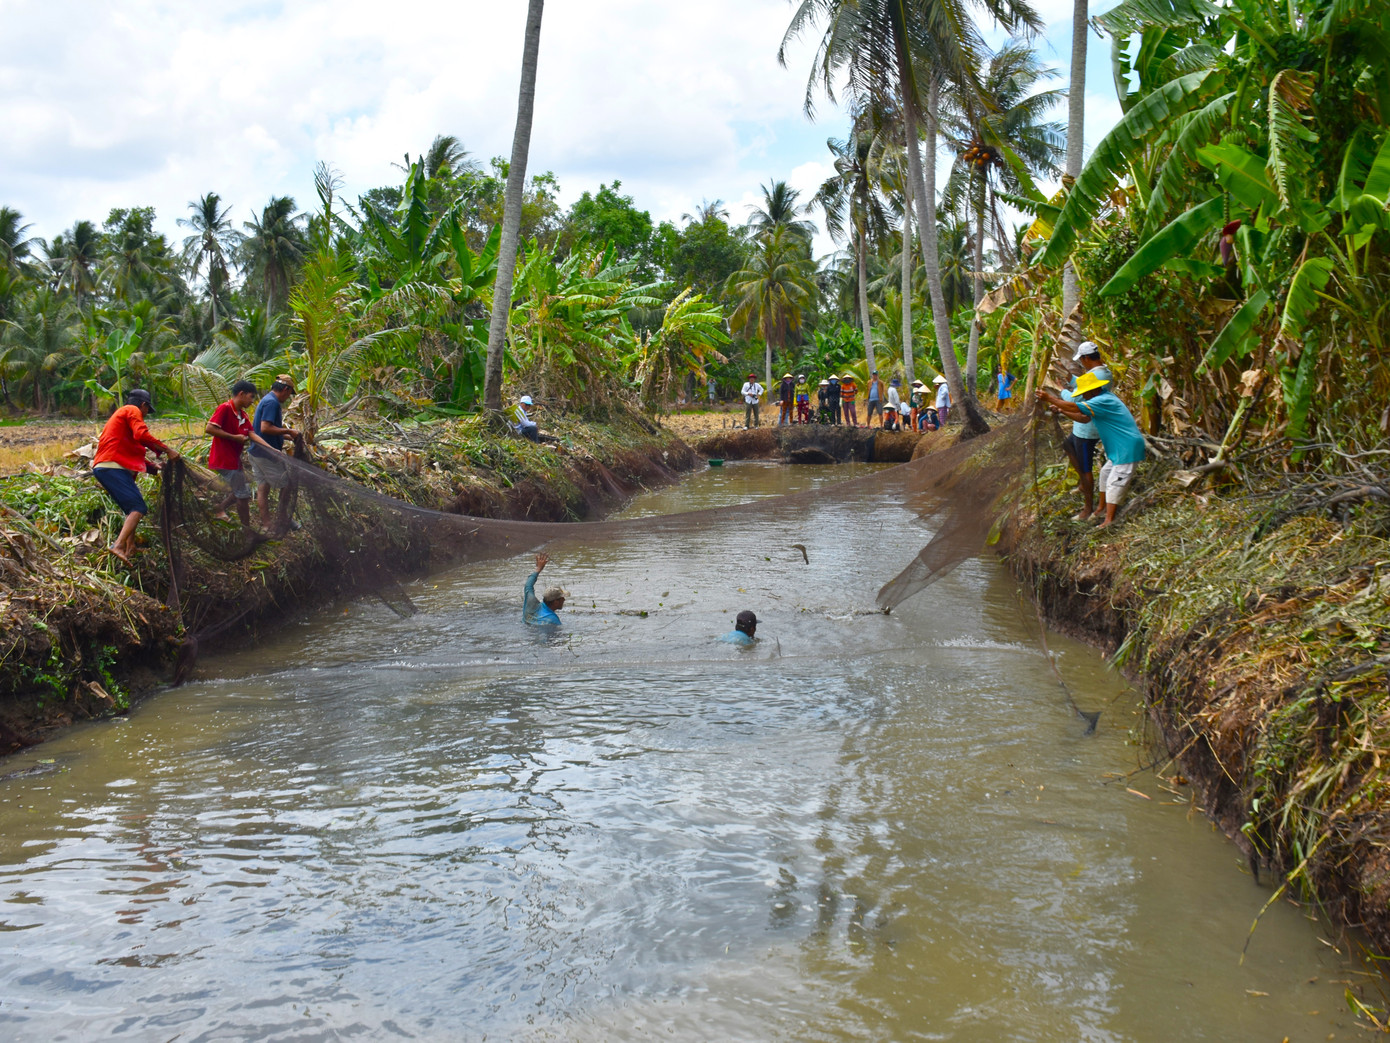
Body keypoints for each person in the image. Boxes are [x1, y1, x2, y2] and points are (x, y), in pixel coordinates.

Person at [1037, 369, 1146, 530]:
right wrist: (1061, 410)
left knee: (1115, 482)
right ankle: (1100, 509)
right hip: (1118, 449)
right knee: (1105, 474)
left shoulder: (1102, 400)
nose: (1083, 395)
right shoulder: (1099, 399)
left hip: (1127, 448)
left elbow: (1075, 407)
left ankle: (1109, 520)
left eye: (1084, 392)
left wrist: (1049, 398)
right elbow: (1083, 418)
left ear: (1093, 390)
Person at [92, 388, 180, 562]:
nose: (145, 414)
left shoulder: (121, 417)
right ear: (143, 405)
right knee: (139, 507)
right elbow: (141, 434)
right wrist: (167, 449)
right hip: (112, 466)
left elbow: (130, 452)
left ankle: (130, 547)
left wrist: (154, 467)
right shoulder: (131, 410)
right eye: (147, 410)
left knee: (131, 508)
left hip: (108, 466)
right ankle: (118, 545)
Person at [207, 380, 279, 528]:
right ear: (241, 394)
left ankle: (219, 508)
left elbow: (252, 434)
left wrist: (272, 449)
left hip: (234, 460)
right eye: (251, 397)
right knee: (243, 495)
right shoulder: (225, 408)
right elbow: (210, 428)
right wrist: (234, 437)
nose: (252, 401)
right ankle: (247, 531)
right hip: (223, 460)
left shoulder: (243, 415)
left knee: (240, 488)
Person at [1059, 342, 1112, 520]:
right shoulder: (1100, 372)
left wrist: (1061, 392)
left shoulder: (1098, 375)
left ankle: (1087, 508)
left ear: (1086, 358)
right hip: (1082, 427)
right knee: (1068, 445)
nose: (1082, 363)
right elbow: (1080, 384)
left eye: (1081, 360)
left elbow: (1076, 399)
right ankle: (1083, 483)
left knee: (1085, 466)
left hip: (1088, 429)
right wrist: (1067, 375)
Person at [251, 375, 299, 532]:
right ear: (285, 389)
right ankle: (283, 518)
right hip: (266, 454)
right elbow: (265, 428)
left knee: (263, 487)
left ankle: (267, 524)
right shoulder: (272, 403)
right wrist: (288, 431)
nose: (288, 397)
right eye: (289, 393)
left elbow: (264, 431)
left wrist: (290, 437)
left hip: (256, 451)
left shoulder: (267, 399)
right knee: (287, 485)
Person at [523, 551, 567, 625]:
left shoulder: (531, 604)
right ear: (556, 602)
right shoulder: (553, 620)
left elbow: (528, 585)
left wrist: (538, 568)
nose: (564, 600)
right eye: (562, 598)